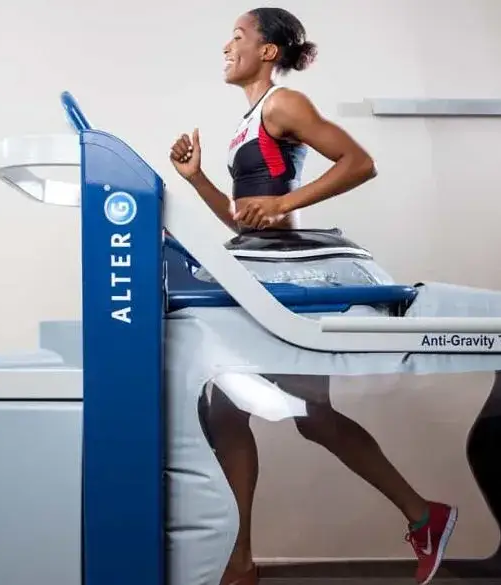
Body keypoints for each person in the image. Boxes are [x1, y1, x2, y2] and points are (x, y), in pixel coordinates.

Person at [168, 7, 457, 585]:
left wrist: (282, 204)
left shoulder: (282, 104)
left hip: (292, 276)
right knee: (228, 413)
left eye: (238, 36)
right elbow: (241, 218)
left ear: (268, 51)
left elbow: (360, 163)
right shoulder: (249, 120)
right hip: (261, 266)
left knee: (307, 416)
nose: (227, 46)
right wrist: (198, 178)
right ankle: (239, 560)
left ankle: (424, 515)